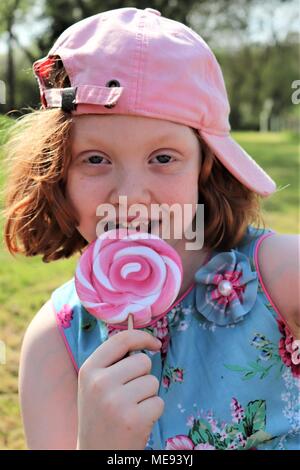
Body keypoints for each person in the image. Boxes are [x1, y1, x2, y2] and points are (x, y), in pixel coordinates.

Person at [2, 7, 299, 450]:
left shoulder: (282, 276)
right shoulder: (54, 344)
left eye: (163, 158)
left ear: (206, 167)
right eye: (95, 159)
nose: (131, 196)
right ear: (57, 172)